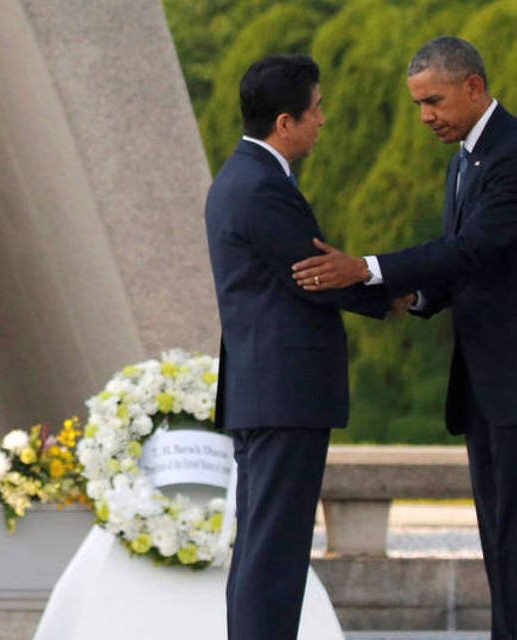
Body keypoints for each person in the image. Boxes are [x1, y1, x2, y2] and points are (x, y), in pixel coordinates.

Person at [291, 36, 517, 639]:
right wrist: (416, 297)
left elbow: (476, 246)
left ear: (474, 88)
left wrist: (369, 268)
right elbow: (469, 268)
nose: (426, 116)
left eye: (434, 101)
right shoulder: (464, 159)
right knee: (500, 539)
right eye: (418, 105)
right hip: (489, 381)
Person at [205, 54, 398, 640]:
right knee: (274, 554)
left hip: (268, 395)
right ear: (284, 122)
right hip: (282, 397)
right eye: (315, 110)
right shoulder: (261, 187)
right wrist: (397, 293)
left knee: (266, 549)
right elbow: (315, 275)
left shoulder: (244, 179)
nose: (323, 120)